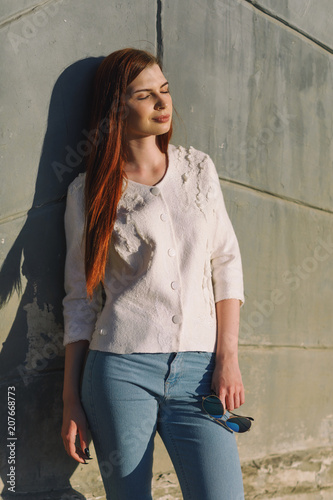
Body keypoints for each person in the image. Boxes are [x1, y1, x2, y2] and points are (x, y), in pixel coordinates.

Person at [61, 47, 246, 500]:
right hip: (118, 371)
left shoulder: (198, 169)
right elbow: (79, 300)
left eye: (164, 91)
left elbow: (226, 261)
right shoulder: (88, 191)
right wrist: (70, 401)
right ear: (115, 108)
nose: (163, 104)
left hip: (201, 372)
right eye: (145, 95)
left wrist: (228, 357)